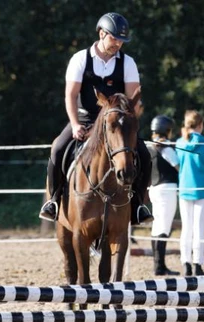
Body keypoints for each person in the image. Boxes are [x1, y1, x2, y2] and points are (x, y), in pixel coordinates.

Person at [39, 12, 153, 226]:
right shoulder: (80, 59)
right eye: (114, 38)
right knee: (57, 148)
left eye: (121, 40)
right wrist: (74, 125)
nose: (118, 43)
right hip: (84, 119)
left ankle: (138, 205)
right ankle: (53, 201)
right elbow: (70, 95)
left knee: (144, 155)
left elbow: (131, 102)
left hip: (115, 123)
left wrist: (123, 127)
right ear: (102, 34)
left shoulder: (128, 63)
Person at [176, 110, 204, 276]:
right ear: (200, 125)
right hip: (202, 189)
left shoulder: (180, 142)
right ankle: (198, 264)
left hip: (184, 189)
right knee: (199, 228)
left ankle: (185, 263)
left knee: (186, 228)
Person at [147, 115, 180, 276]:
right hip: (167, 189)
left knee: (156, 227)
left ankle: (158, 265)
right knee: (164, 227)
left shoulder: (150, 146)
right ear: (166, 130)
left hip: (154, 188)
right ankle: (160, 266)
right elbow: (178, 167)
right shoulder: (166, 147)